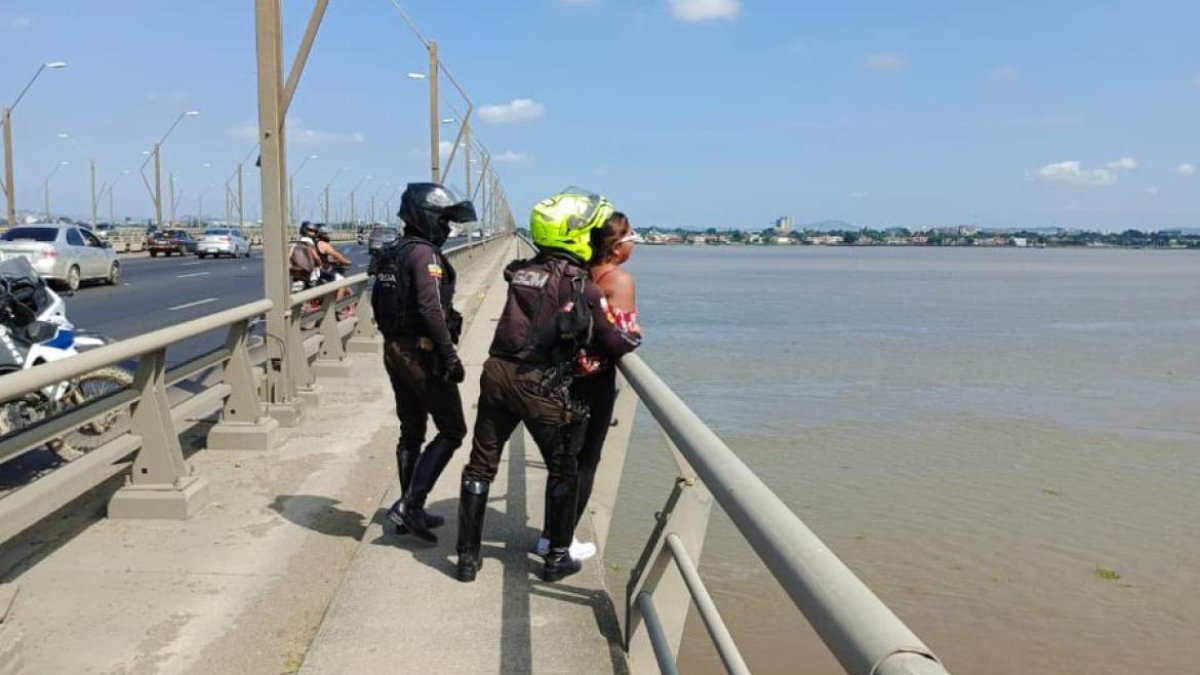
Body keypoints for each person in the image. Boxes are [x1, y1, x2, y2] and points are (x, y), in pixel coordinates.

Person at [455, 188, 641, 584]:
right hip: (538, 384)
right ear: (577, 235)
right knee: (565, 468)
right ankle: (557, 555)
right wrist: (631, 336)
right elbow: (612, 341)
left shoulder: (523, 271)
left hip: (496, 373)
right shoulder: (582, 286)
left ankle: (467, 558)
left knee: (480, 465)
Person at [371, 183, 476, 543]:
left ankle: (407, 513)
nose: (447, 229)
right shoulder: (425, 256)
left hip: (394, 349)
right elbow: (431, 308)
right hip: (421, 353)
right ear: (424, 217)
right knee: (453, 429)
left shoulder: (393, 252)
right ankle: (410, 505)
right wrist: (449, 356)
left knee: (412, 430)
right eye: (443, 220)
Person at [534, 212, 640, 560]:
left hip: (563, 376)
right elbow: (623, 336)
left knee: (564, 459)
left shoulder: (580, 272)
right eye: (629, 236)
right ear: (615, 246)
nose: (634, 242)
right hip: (594, 379)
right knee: (586, 460)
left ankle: (549, 534)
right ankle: (562, 541)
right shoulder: (619, 280)